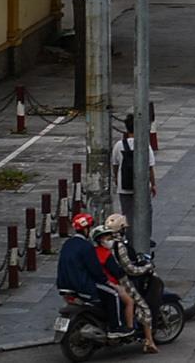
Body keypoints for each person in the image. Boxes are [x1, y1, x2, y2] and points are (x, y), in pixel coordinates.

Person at [56, 214, 125, 338]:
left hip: (64, 285)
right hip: (82, 285)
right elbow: (95, 269)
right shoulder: (86, 247)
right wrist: (108, 282)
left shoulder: (68, 244)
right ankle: (116, 328)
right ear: (86, 229)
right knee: (114, 294)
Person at [94, 218, 157, 353]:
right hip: (122, 281)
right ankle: (149, 341)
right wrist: (146, 268)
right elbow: (129, 269)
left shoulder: (100, 248)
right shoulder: (119, 246)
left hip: (105, 281)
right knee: (143, 307)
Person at [110, 114, 156, 227]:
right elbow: (150, 167)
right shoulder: (144, 145)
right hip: (142, 186)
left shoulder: (119, 145)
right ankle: (145, 238)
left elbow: (115, 165)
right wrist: (153, 184)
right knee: (145, 212)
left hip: (124, 187)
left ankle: (130, 238)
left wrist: (117, 179)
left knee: (127, 215)